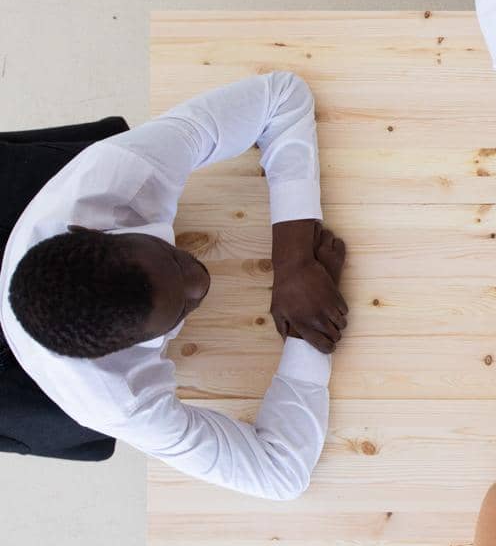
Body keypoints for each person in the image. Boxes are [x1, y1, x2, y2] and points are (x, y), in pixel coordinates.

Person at [0, 73, 347, 500]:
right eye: (180, 311)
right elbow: (280, 474)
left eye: (172, 257)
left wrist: (294, 260)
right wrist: (309, 336)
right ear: (118, 354)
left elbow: (281, 96)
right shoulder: (115, 399)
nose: (202, 283)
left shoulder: (109, 179)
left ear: (92, 229)